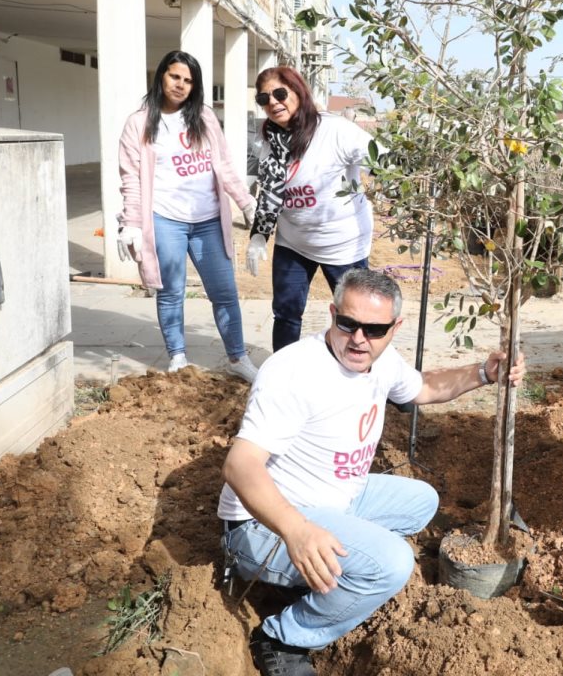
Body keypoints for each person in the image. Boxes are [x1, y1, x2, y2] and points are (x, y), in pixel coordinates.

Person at [218, 268, 525, 676]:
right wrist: (297, 530)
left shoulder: (379, 361)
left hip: (334, 499)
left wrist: (485, 373)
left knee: (422, 501)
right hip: (261, 529)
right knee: (392, 564)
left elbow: (424, 388)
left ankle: (341, 569)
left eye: (374, 329)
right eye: (348, 324)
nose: (359, 338)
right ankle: (283, 636)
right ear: (332, 314)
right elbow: (240, 464)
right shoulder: (293, 372)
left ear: (395, 328)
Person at [117, 50, 259, 382]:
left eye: (189, 80)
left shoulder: (205, 118)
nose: (181, 85)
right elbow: (130, 178)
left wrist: (246, 202)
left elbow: (224, 165)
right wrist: (132, 223)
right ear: (161, 77)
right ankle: (178, 357)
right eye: (175, 76)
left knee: (224, 291)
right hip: (166, 219)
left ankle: (237, 358)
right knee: (171, 291)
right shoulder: (139, 123)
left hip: (208, 219)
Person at [246, 66, 376, 351]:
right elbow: (269, 189)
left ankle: (359, 374)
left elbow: (382, 162)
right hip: (294, 242)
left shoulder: (334, 130)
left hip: (343, 244)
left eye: (280, 94)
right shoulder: (266, 139)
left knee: (356, 317)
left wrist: (409, 182)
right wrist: (259, 235)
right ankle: (282, 374)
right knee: (286, 313)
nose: (273, 103)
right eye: (264, 98)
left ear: (298, 92)